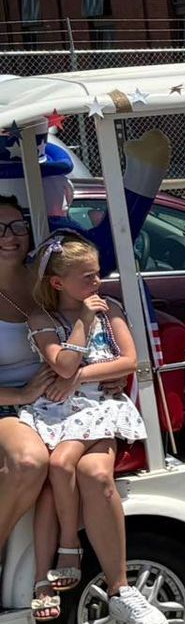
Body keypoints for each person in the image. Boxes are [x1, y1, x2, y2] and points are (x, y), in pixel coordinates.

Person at [20, 233, 167, 624]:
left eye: (98, 274)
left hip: (99, 408)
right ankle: (63, 551)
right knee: (57, 467)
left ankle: (107, 578)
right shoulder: (42, 319)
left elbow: (129, 360)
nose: (96, 284)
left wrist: (81, 376)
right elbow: (61, 364)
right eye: (87, 277)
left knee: (89, 471)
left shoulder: (111, 308)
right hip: (57, 410)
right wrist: (84, 320)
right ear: (58, 283)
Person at [0, 195, 57, 586]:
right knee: (28, 463)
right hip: (9, 403)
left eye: (18, 226)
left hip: (59, 399)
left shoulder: (45, 278)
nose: (11, 236)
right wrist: (20, 397)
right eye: (0, 228)